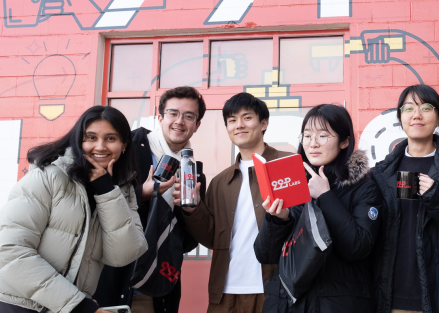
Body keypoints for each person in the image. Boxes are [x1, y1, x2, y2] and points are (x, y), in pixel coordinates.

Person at [0, 105, 148, 313]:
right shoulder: (47, 177)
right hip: (19, 305)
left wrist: (107, 192)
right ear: (79, 140)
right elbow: (9, 250)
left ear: (124, 144)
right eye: (91, 137)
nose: (100, 146)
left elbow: (123, 255)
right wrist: (76, 304)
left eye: (111, 138)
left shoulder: (123, 191)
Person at [254, 104, 382, 313]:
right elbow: (265, 254)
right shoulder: (291, 181)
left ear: (344, 141)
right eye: (306, 135)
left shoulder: (363, 186)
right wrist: (279, 219)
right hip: (287, 304)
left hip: (337, 305)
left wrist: (325, 196)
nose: (312, 143)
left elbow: (357, 247)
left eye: (323, 136)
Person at [172, 92, 291, 313]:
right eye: (232, 120)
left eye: (247, 118)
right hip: (225, 290)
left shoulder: (286, 165)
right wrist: (194, 207)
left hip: (275, 287)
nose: (239, 125)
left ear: (263, 123)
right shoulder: (219, 182)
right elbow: (210, 238)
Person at [94, 86, 206, 313]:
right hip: (110, 279)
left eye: (189, 116)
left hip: (157, 288)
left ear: (197, 124)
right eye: (173, 113)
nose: (179, 122)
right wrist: (142, 194)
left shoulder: (194, 173)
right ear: (160, 117)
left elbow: (187, 243)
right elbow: (94, 202)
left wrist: (189, 213)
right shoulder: (128, 148)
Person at [371, 84, 439, 313]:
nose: (416, 115)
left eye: (426, 108)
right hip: (389, 300)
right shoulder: (381, 174)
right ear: (400, 117)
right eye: (408, 108)